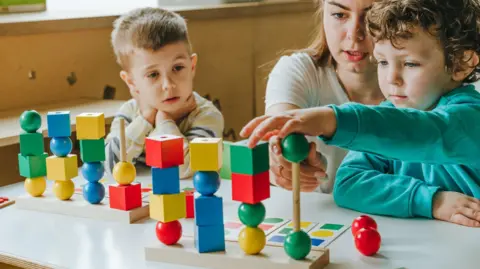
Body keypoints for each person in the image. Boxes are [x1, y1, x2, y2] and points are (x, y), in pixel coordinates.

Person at [240, 0, 480, 227]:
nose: (391, 79)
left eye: (410, 64)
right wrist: (431, 201)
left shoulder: (470, 117)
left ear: (461, 63)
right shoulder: (390, 114)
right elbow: (347, 183)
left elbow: (425, 132)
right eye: (383, 62)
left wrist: (333, 119)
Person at [263, 0, 385, 193]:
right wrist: (281, 160)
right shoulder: (299, 71)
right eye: (339, 15)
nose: (354, 34)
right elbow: (279, 133)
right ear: (323, 13)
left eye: (372, 16)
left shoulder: (423, 86)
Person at [105, 7, 224, 178]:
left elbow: (188, 169)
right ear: (131, 82)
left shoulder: (205, 115)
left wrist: (164, 122)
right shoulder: (129, 114)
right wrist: (145, 121)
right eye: (153, 74)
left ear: (192, 67)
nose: (168, 85)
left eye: (177, 68)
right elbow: (110, 166)